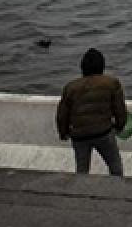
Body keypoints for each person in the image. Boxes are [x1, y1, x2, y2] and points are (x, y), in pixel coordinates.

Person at [55, 47, 128, 177]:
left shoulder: (70, 87)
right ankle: (117, 192)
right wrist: (119, 126)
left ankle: (82, 193)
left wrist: (63, 133)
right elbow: (120, 110)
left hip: (79, 135)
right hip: (103, 132)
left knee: (82, 171)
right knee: (115, 166)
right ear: (102, 66)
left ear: (83, 67)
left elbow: (62, 115)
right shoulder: (112, 83)